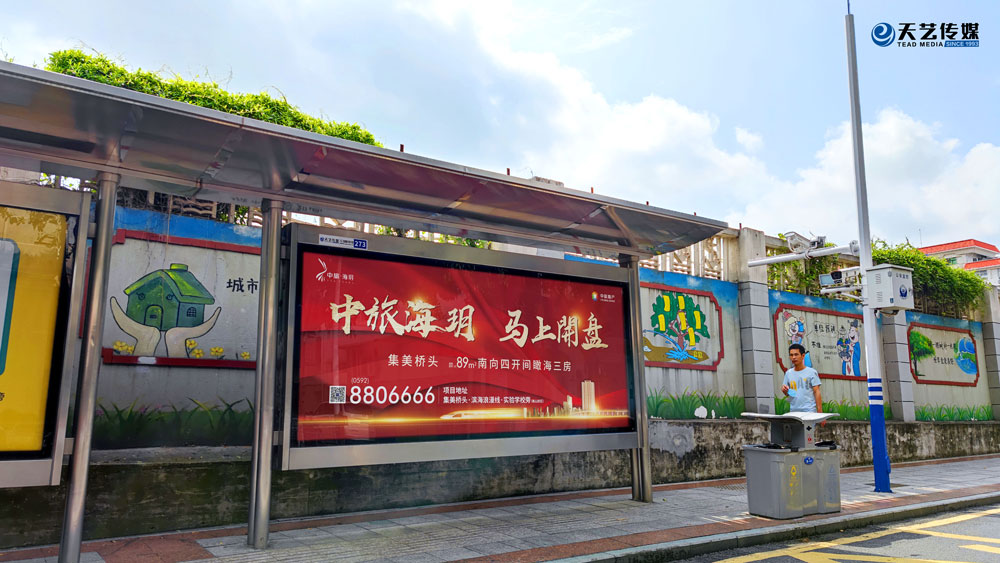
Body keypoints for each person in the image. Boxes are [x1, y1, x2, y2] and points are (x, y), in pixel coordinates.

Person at [781, 343, 823, 415]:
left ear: (803, 356)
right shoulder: (788, 373)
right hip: (794, 412)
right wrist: (784, 391)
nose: (793, 357)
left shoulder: (812, 372)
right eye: (791, 355)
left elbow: (816, 391)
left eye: (796, 354)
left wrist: (820, 412)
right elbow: (788, 394)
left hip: (809, 411)